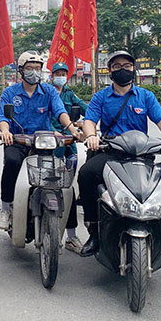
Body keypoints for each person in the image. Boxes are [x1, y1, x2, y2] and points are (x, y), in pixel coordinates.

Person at [77, 50, 161, 294]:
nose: (122, 69)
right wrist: (91, 136)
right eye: (117, 65)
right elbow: (89, 120)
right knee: (86, 174)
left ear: (133, 69)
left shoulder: (146, 96)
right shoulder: (101, 97)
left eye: (127, 65)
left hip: (142, 156)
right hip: (111, 153)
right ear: (109, 71)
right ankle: (94, 232)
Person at [0, 52, 80, 234]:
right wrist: (5, 131)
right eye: (29, 68)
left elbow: (59, 111)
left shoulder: (48, 91)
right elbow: (2, 116)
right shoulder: (10, 92)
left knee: (61, 179)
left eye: (37, 69)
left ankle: (72, 234)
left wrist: (72, 128)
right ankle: (6, 208)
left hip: (44, 143)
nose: (34, 72)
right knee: (11, 162)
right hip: (18, 141)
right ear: (21, 71)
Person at [48, 61, 89, 253]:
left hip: (68, 140)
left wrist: (92, 122)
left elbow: (84, 108)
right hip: (47, 141)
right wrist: (51, 132)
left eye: (64, 73)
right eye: (58, 73)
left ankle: (72, 237)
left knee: (69, 188)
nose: (61, 76)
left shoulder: (69, 93)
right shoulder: (45, 92)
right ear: (52, 74)